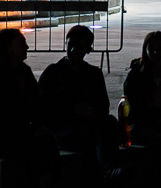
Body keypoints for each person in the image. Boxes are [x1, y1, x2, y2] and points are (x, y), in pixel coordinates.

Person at [0, 29, 57, 188]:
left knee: (47, 143)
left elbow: (35, 103)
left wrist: (39, 123)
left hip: (23, 130)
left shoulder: (24, 71)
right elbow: (1, 110)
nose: (26, 47)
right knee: (35, 149)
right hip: (2, 135)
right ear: (9, 48)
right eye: (21, 44)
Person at [38, 25, 119, 171]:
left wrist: (91, 112)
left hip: (89, 124)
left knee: (110, 124)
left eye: (79, 46)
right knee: (88, 135)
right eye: (71, 45)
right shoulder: (53, 73)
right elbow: (42, 108)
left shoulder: (94, 74)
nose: (73, 50)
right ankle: (107, 169)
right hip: (63, 127)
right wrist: (71, 110)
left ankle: (109, 168)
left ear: (88, 50)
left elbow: (103, 106)